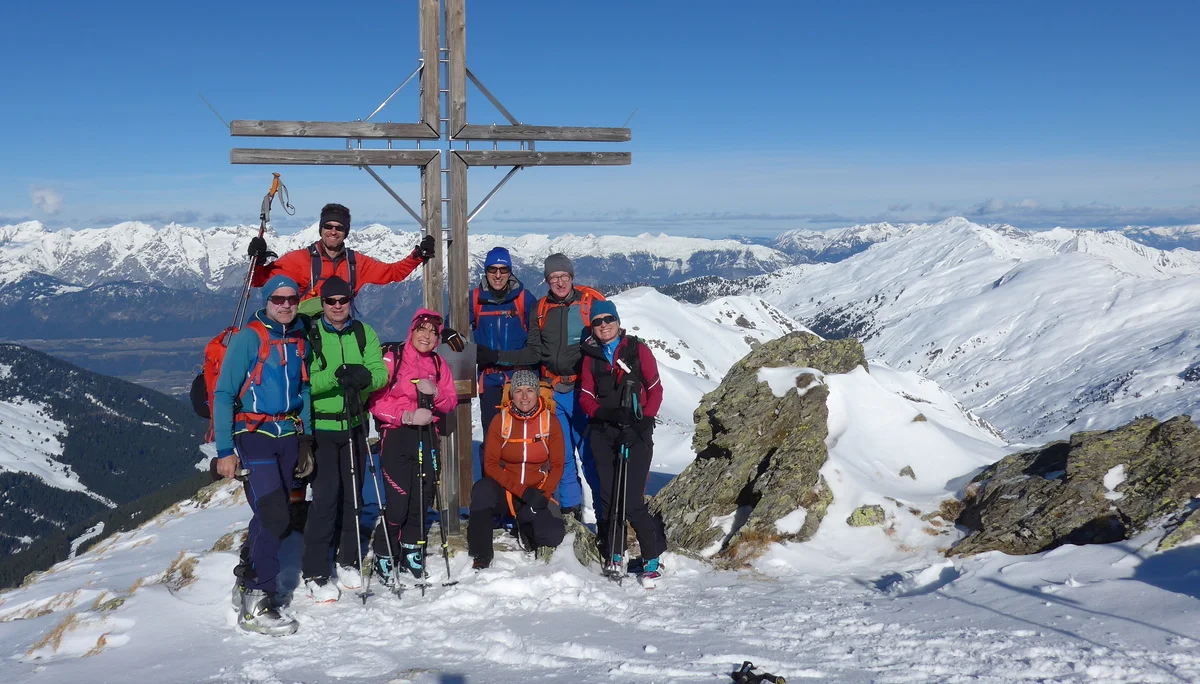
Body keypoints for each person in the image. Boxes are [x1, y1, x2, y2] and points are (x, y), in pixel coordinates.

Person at [212, 275, 311, 635]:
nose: (285, 305)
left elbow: (304, 389)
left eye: (291, 299)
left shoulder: (298, 338)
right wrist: (225, 450)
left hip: (287, 434)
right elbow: (223, 394)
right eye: (278, 299)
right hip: (253, 435)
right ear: (267, 301)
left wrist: (306, 437)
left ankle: (246, 580)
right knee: (274, 515)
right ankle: (258, 600)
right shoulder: (249, 338)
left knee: (271, 513)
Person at [477, 253, 605, 520]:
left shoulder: (589, 304)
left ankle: (605, 512)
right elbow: (533, 353)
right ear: (547, 280)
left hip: (583, 390)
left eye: (564, 276)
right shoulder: (541, 308)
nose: (559, 282)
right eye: (553, 277)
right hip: (553, 390)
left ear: (572, 277)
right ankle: (571, 512)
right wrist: (497, 357)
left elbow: (607, 340)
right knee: (562, 455)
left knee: (590, 454)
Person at [300, 276, 387, 601]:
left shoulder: (364, 333)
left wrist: (365, 379)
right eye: (331, 301)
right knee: (325, 500)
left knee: (354, 497)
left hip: (354, 424)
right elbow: (306, 380)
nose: (338, 306)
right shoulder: (311, 335)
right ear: (322, 304)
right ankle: (315, 570)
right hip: (323, 427)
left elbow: (379, 371)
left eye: (343, 300)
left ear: (350, 301)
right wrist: (336, 378)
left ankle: (348, 558)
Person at [578, 300, 666, 588]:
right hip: (604, 432)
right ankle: (615, 551)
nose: (604, 325)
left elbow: (654, 388)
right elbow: (586, 397)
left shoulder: (637, 350)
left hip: (636, 432)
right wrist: (606, 413)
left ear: (617, 321)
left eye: (608, 319)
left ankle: (652, 556)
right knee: (607, 496)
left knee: (630, 500)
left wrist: (643, 423)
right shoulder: (590, 356)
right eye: (598, 321)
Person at [367, 309, 458, 585]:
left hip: (428, 434)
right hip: (396, 436)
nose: (427, 336)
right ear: (412, 329)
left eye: (433, 333)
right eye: (423, 329)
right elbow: (376, 402)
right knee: (398, 501)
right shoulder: (392, 357)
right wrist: (405, 415)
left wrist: (437, 393)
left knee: (422, 496)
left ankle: (410, 549)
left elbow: (450, 401)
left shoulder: (440, 364)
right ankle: (384, 552)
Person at [248, 203, 435, 316]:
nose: (333, 231)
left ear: (346, 232)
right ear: (321, 228)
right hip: (305, 332)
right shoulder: (298, 260)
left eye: (339, 227)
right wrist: (257, 262)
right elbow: (258, 280)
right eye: (328, 226)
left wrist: (417, 256)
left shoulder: (357, 263)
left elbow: (392, 273)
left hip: (341, 330)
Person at [467, 370, 566, 569]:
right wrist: (522, 491)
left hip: (537, 491)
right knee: (482, 490)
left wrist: (543, 494)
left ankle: (526, 526)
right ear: (511, 394)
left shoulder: (550, 422)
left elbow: (557, 465)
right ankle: (481, 553)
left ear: (537, 393)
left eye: (529, 390)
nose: (524, 396)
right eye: (518, 390)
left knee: (553, 535)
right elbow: (491, 465)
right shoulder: (501, 420)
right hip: (506, 491)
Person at [469, 246, 537, 470]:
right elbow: (455, 327)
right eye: (492, 269)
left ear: (510, 272)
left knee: (522, 436)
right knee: (492, 436)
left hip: (520, 380)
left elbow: (537, 341)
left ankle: (521, 486)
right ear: (485, 271)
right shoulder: (476, 299)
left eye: (503, 269)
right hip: (489, 381)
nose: (498, 275)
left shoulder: (524, 300)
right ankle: (492, 490)